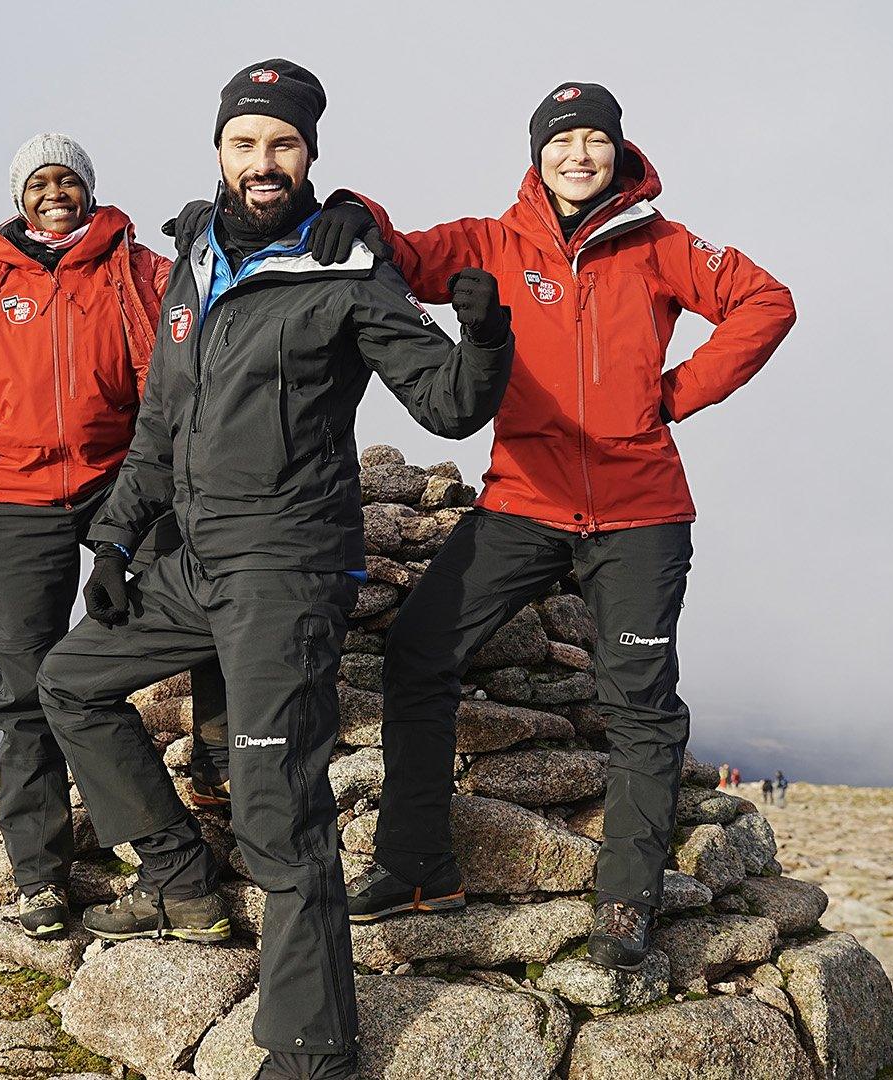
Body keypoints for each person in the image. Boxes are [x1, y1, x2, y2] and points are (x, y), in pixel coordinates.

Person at [36, 59, 513, 1080]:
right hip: (191, 557)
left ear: (310, 157)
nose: (264, 162)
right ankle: (178, 880)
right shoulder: (193, 254)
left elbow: (445, 405)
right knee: (68, 682)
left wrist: (484, 334)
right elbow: (162, 418)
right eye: (247, 143)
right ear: (220, 151)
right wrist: (119, 539)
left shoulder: (345, 268)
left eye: (284, 145)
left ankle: (313, 1049)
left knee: (276, 806)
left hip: (285, 568)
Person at [313, 81, 797, 973]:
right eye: (562, 141)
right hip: (523, 503)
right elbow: (406, 252)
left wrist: (676, 394)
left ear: (618, 151)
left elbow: (767, 301)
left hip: (639, 512)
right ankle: (418, 864)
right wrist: (351, 208)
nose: (579, 155)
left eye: (595, 141)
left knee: (639, 704)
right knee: (420, 650)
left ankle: (624, 903)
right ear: (537, 154)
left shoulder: (661, 245)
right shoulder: (496, 243)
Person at [0, 133, 227, 940]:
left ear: (89, 189)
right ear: (20, 197)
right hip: (11, 503)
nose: (54, 193)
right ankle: (41, 877)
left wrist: (211, 239)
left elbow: (206, 332)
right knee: (25, 690)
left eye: (68, 180)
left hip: (122, 488)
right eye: (38, 183)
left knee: (200, 627)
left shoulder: (137, 271)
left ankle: (219, 789)